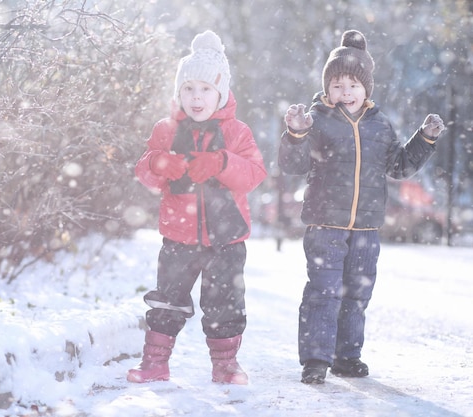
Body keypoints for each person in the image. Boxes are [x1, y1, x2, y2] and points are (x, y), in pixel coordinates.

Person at [278, 29, 445, 384]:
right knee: (323, 291)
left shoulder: (380, 124)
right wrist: (295, 133)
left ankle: (346, 357)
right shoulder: (317, 120)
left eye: (353, 84)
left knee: (356, 294)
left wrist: (425, 139)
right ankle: (316, 360)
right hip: (326, 225)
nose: (345, 92)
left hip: (367, 227)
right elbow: (293, 165)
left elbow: (399, 166)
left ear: (366, 88)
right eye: (337, 84)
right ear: (327, 89)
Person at [128, 30, 267, 385]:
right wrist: (160, 163)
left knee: (224, 304)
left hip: (227, 237)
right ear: (179, 92)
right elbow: (144, 170)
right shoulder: (167, 129)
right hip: (179, 235)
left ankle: (225, 366)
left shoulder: (237, 133)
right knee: (168, 300)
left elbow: (254, 174)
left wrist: (222, 163)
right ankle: (154, 363)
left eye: (205, 88)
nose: (196, 96)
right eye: (188, 88)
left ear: (220, 93)